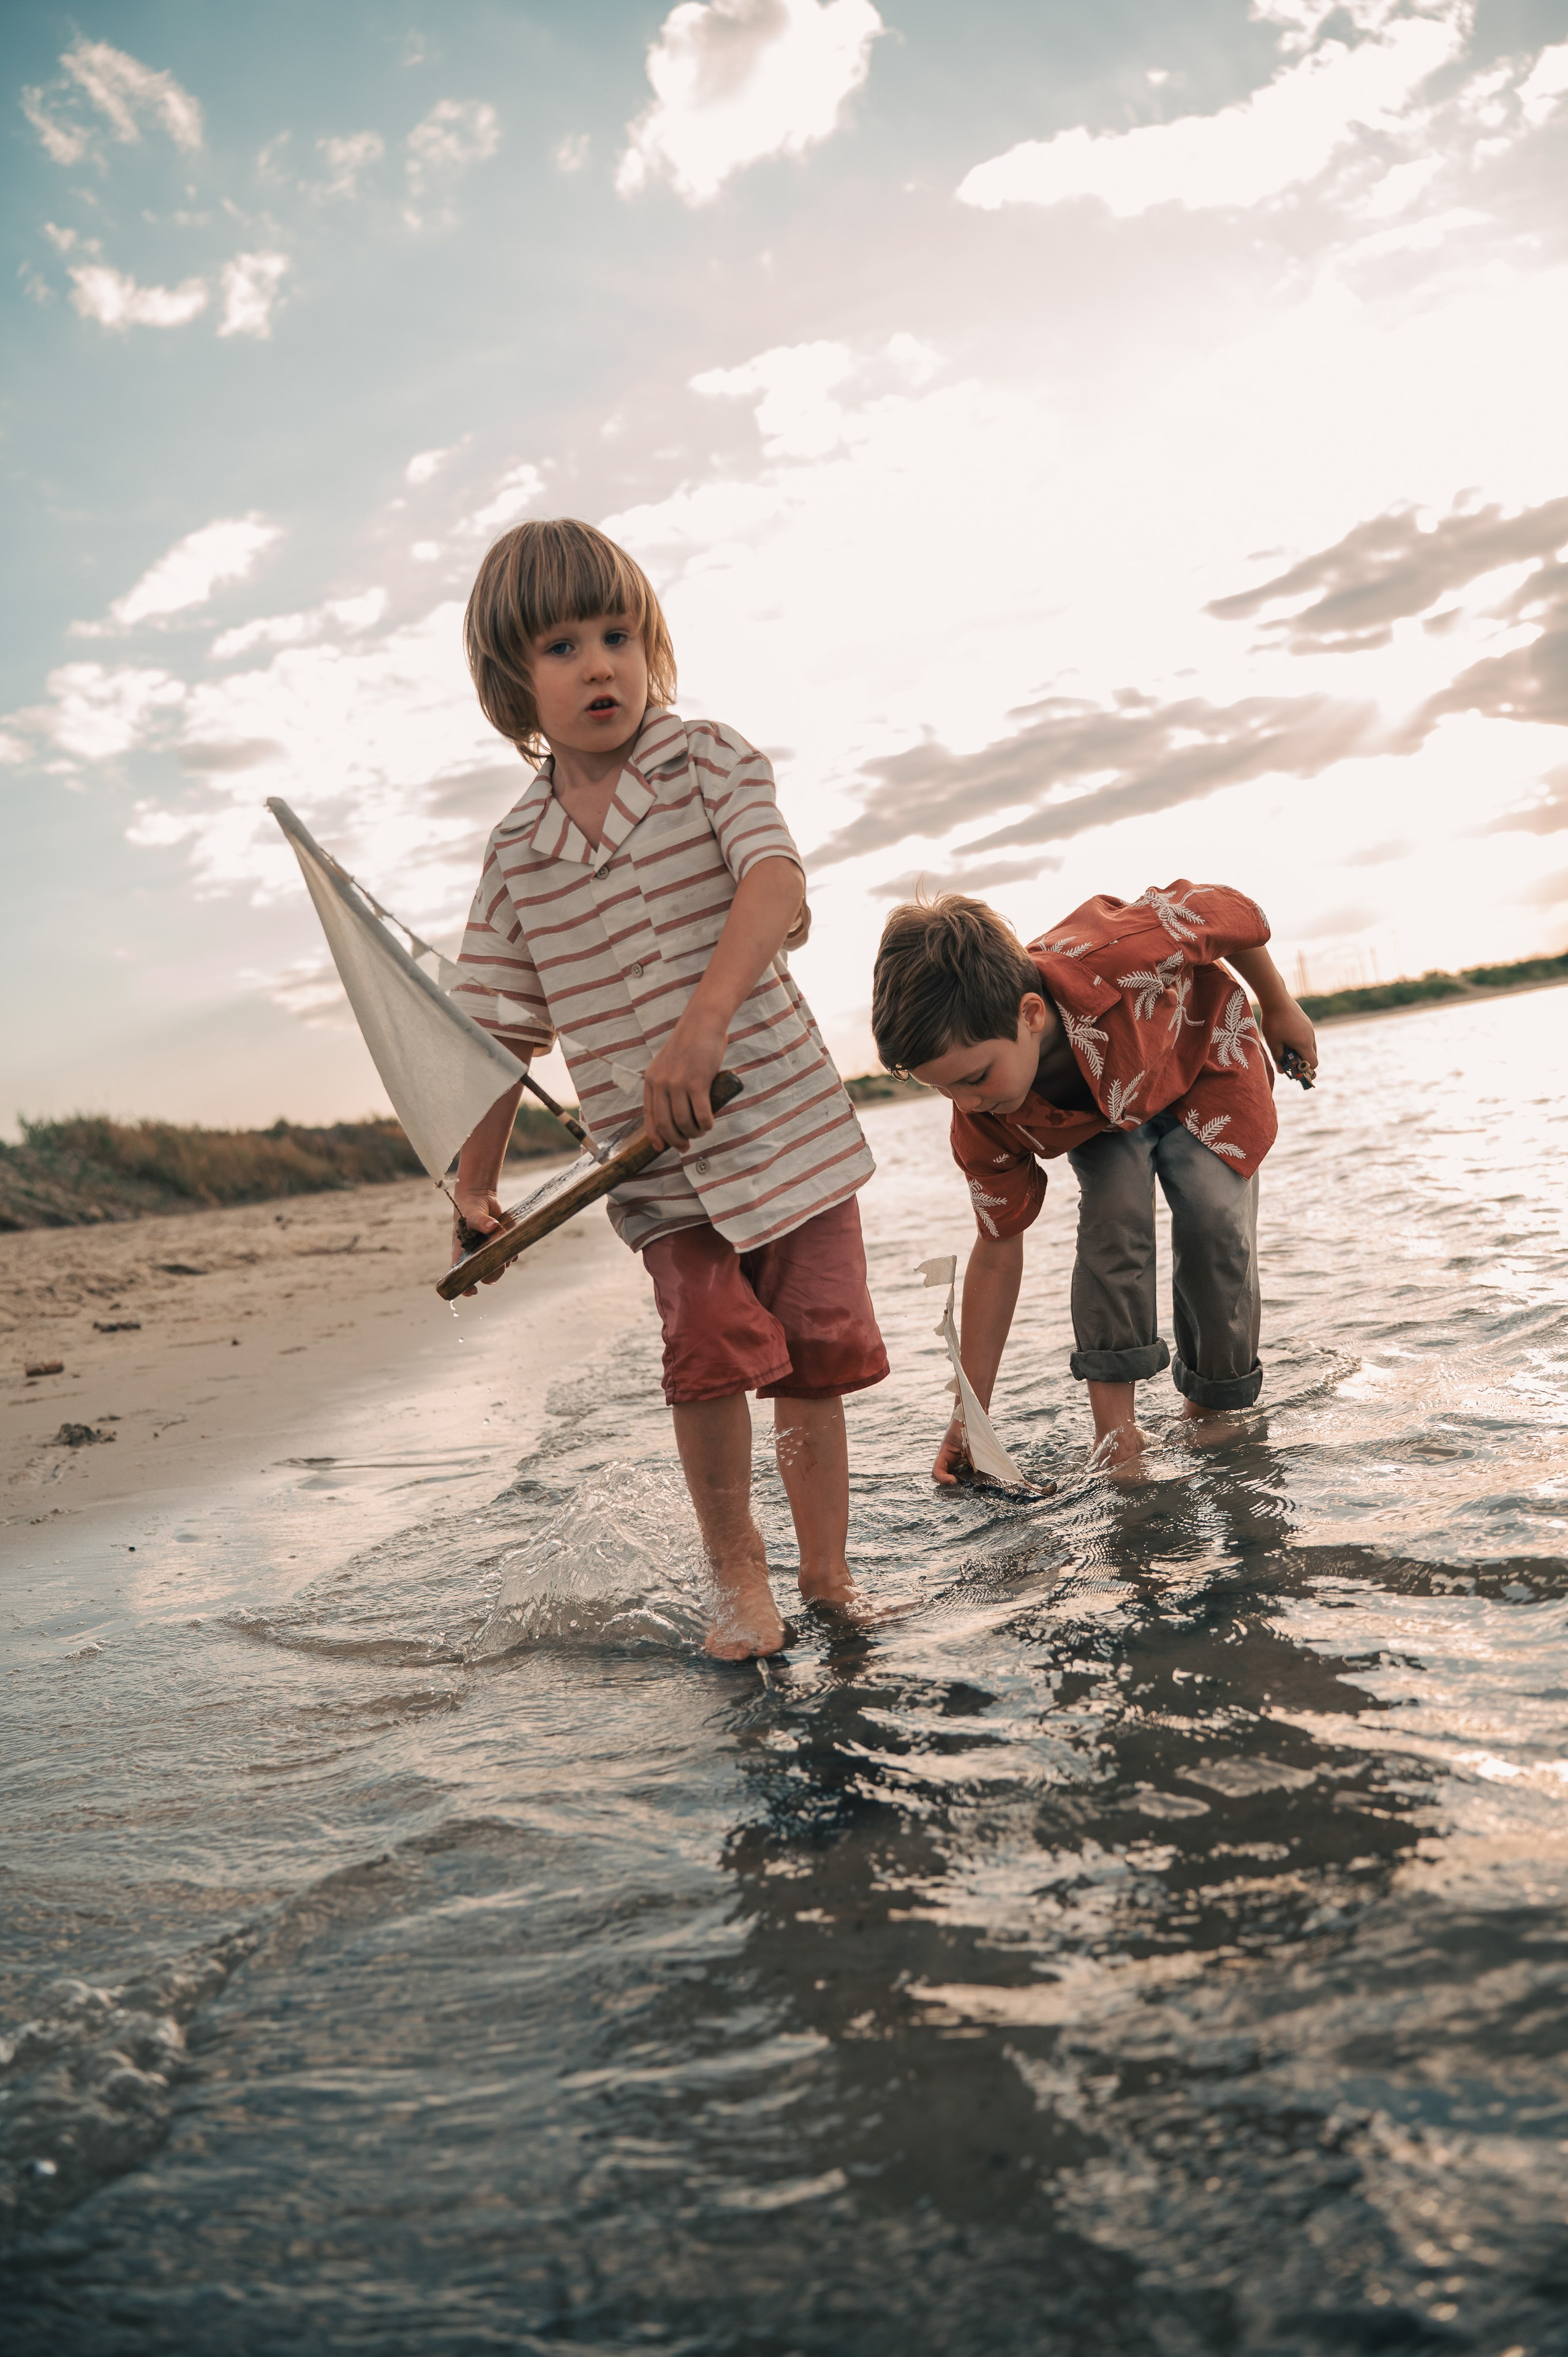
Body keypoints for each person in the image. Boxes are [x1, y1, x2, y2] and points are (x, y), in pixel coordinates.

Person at [448, 518, 886, 1659]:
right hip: (656, 1166)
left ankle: (828, 1572)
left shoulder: (709, 761)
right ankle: (740, 1576)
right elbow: (494, 1027)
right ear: (511, 681)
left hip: (783, 1123)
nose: (599, 665)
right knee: (706, 1358)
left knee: (815, 1354)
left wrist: (702, 1026)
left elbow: (775, 881)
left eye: (617, 635)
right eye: (561, 647)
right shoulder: (518, 852)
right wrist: (475, 1183)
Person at [870, 884, 1318, 1476]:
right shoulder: (982, 1115)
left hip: (1204, 1057)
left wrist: (1279, 1004)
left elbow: (1235, 915)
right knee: (1114, 1216)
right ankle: (1116, 1435)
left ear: (1031, 1015)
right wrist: (968, 1418)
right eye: (943, 1089)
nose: (967, 1102)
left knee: (1213, 1216)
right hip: (1106, 1112)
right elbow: (997, 1252)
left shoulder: (1125, 952)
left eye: (975, 1078)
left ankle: (1213, 1407)